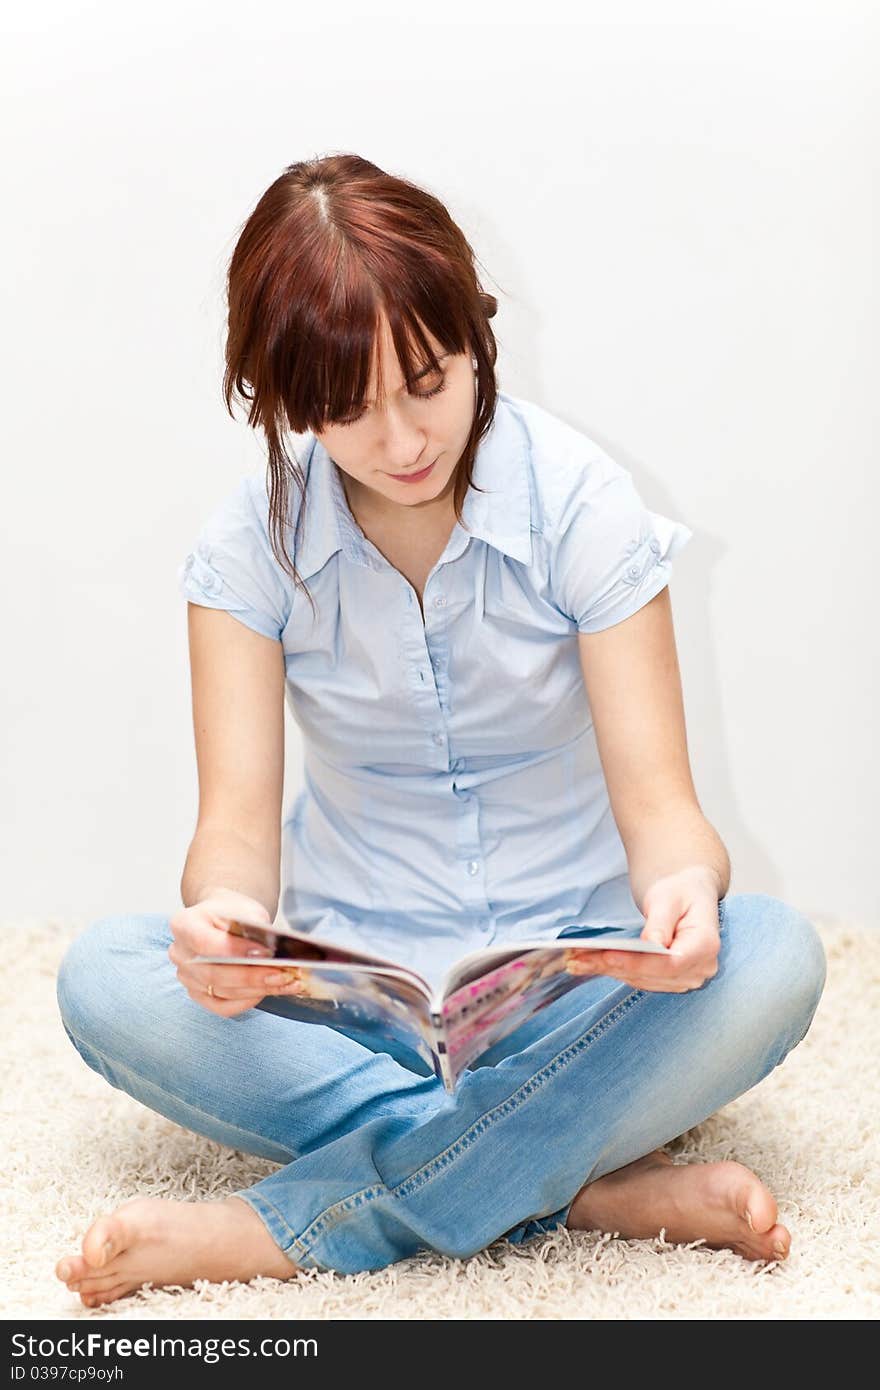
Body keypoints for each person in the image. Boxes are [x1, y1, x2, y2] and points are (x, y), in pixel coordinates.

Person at [53, 154, 826, 1309]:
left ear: (474, 337)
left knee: (774, 951)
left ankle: (297, 1227)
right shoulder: (244, 552)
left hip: (572, 1004)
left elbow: (670, 822)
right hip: (358, 1020)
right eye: (348, 409)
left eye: (428, 380)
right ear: (287, 404)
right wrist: (224, 930)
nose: (405, 437)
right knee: (101, 977)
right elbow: (231, 841)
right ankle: (573, 1179)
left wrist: (684, 897)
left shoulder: (581, 507)